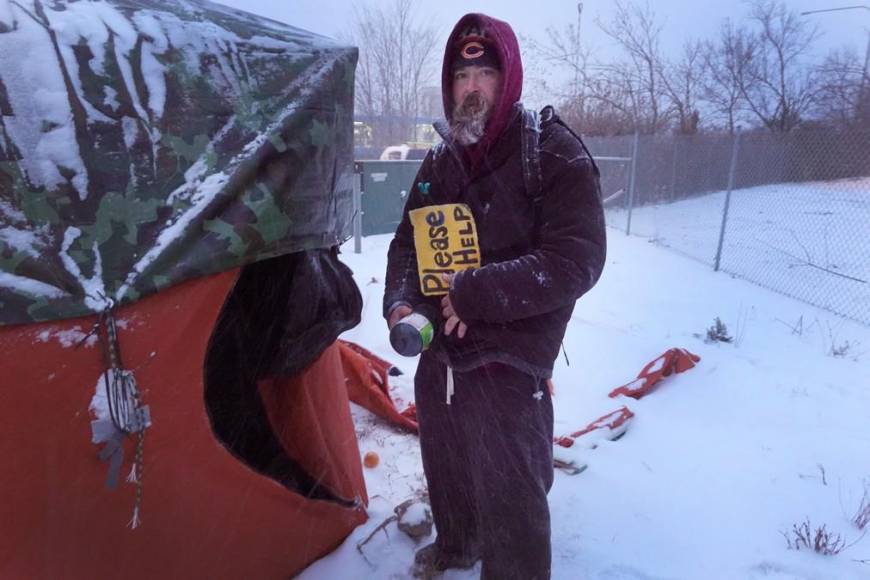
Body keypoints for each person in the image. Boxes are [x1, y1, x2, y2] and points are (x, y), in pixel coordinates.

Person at [383, 12, 606, 580]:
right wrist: (404, 303)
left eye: (485, 75)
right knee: (446, 459)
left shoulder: (552, 152)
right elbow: (407, 241)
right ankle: (458, 544)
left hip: (511, 352)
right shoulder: (439, 160)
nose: (471, 89)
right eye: (461, 77)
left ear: (509, 80)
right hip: (441, 349)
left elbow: (576, 259)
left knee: (510, 486)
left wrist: (476, 293)